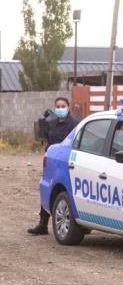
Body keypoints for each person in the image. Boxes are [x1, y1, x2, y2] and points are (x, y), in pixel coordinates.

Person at [28, 97, 79, 235]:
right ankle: (43, 224)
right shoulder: (52, 123)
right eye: (58, 106)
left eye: (63, 106)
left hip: (65, 162)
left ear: (68, 108)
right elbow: (48, 141)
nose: (60, 109)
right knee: (47, 189)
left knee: (64, 192)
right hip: (51, 161)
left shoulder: (74, 125)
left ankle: (73, 224)